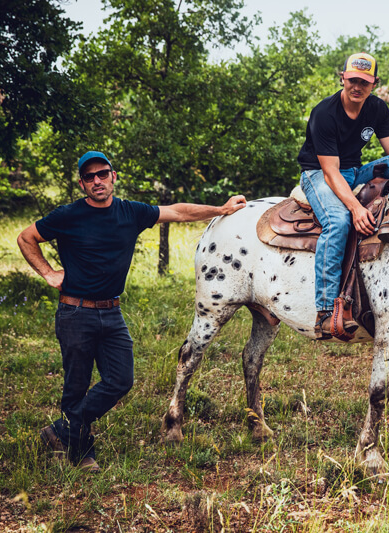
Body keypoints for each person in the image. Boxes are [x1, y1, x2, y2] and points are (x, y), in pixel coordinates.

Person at [17, 151, 246, 472]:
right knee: (76, 385)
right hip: (75, 313)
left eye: (102, 174)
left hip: (111, 313)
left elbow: (178, 212)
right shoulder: (68, 215)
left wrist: (220, 209)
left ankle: (60, 431)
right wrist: (48, 273)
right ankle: (82, 452)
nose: (97, 181)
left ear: (113, 177)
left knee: (120, 379)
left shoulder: (130, 212)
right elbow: (27, 237)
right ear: (82, 184)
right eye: (89, 177)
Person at [297, 52, 389, 339]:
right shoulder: (324, 113)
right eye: (353, 80)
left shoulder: (377, 108)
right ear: (343, 78)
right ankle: (324, 311)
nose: (357, 87)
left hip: (353, 170)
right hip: (319, 173)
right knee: (338, 221)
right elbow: (331, 172)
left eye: (365, 82)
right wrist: (356, 210)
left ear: (374, 84)